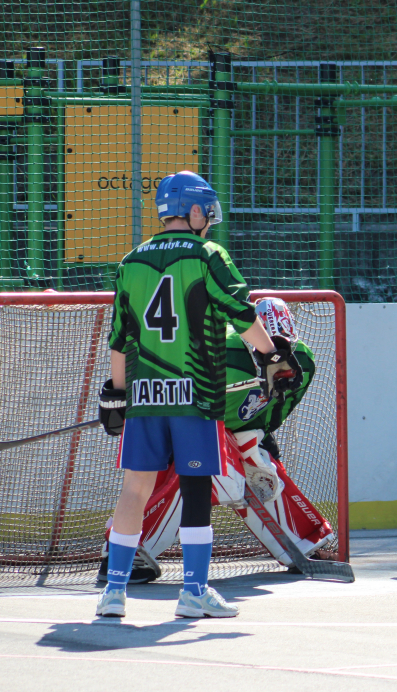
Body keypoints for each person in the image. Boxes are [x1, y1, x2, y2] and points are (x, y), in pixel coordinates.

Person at [95, 171, 300, 618]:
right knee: (194, 489)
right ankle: (193, 592)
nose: (208, 221)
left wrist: (116, 393)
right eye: (206, 212)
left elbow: (119, 339)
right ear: (192, 211)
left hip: (145, 396)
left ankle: (113, 593)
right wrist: (273, 357)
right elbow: (242, 314)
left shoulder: (130, 261)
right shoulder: (208, 254)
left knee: (134, 489)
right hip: (196, 396)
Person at [96, 297, 335, 583]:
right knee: (172, 478)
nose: (276, 360)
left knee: (261, 467)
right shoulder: (216, 349)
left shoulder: (302, 362)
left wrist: (262, 432)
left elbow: (276, 409)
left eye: (283, 350)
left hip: (233, 429)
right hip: (186, 422)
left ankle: (305, 543)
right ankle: (125, 554)